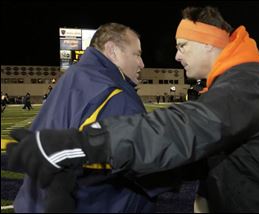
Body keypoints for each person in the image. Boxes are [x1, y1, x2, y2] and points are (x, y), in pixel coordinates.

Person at [7, 6, 259, 212]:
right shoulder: (233, 83)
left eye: (183, 45)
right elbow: (207, 154)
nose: (176, 55)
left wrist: (84, 144)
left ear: (210, 44)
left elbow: (188, 128)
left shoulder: (249, 83)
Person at [7, 22, 176, 213]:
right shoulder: (115, 94)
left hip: (33, 202)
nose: (142, 63)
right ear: (112, 50)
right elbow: (141, 163)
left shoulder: (73, 77)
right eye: (136, 54)